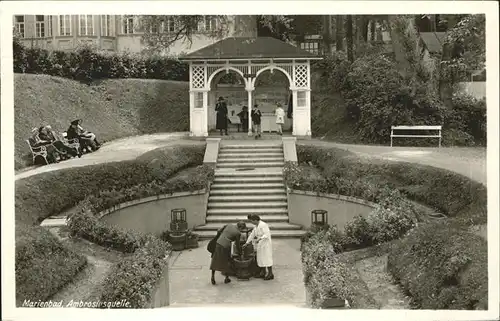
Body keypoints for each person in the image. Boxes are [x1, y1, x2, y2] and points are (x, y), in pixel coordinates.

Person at [243, 214, 274, 280]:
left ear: (255, 220)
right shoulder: (256, 226)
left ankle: (270, 274)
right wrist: (247, 243)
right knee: (261, 258)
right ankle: (263, 272)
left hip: (265, 244)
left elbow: (267, 234)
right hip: (260, 244)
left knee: (267, 258)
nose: (251, 222)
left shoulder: (263, 225)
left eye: (251, 221)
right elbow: (252, 235)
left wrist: (260, 239)